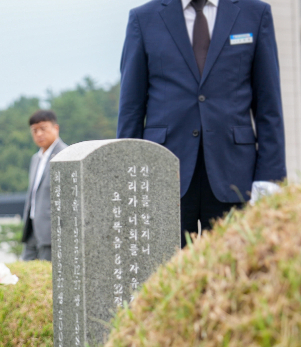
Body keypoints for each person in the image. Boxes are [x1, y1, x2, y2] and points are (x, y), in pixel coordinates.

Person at [117, 0, 286, 247]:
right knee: (164, 273)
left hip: (236, 174)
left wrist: (270, 178)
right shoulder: (143, 18)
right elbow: (131, 109)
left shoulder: (255, 13)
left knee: (232, 270)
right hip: (163, 173)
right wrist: (127, 178)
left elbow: (269, 108)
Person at [20, 110, 68, 261]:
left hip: (52, 232)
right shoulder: (36, 158)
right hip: (32, 228)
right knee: (27, 274)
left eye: (43, 128)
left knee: (47, 276)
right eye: (35, 130)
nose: (39, 134)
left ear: (56, 128)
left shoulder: (66, 155)